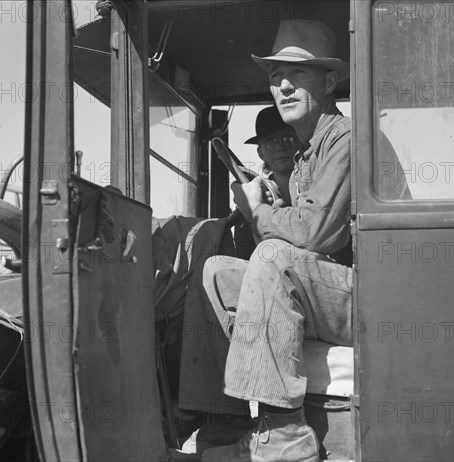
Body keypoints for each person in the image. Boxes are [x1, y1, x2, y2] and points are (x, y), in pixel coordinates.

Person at [175, 19, 353, 462]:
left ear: (330, 80)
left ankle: (286, 432)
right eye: (276, 77)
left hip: (368, 298)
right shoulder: (309, 150)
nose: (284, 87)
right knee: (215, 270)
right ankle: (227, 420)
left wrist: (258, 212)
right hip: (330, 294)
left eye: (298, 74)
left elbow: (315, 234)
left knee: (273, 256)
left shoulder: (346, 140)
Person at [234, 105, 300, 259]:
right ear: (260, 152)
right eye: (271, 141)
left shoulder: (319, 192)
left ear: (301, 142)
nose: (280, 147)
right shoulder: (249, 207)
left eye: (288, 138)